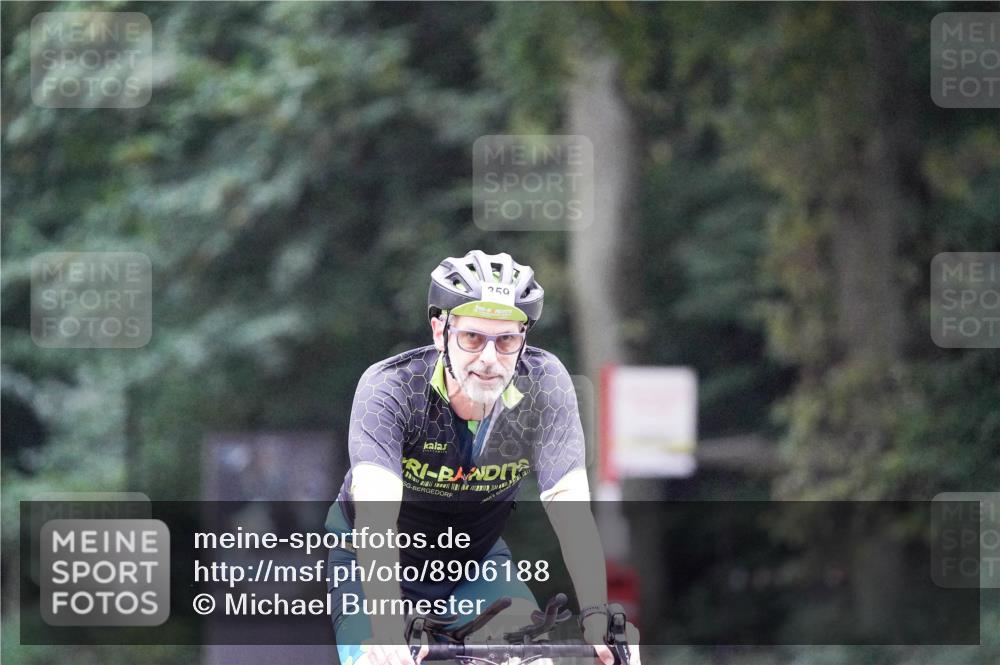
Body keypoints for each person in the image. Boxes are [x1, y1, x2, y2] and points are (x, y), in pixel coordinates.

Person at [327, 250, 640, 665]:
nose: (490, 359)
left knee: (532, 661)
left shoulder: (544, 386)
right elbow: (375, 519)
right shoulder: (391, 389)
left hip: (476, 563)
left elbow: (572, 514)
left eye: (506, 340)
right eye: (472, 338)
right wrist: (387, 629)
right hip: (373, 565)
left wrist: (598, 615)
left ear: (523, 340)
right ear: (440, 332)